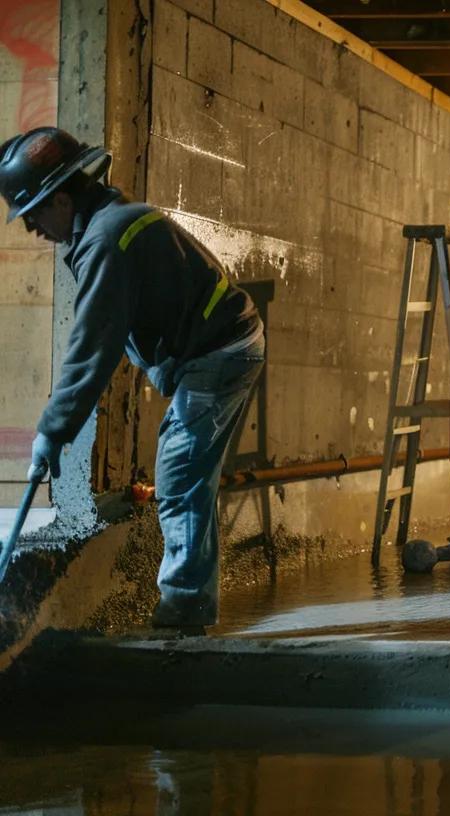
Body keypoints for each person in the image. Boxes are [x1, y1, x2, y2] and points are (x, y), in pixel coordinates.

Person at [1, 126, 265, 634]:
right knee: (188, 475)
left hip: (220, 350)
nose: (32, 227)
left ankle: (183, 614)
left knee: (180, 473)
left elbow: (91, 349)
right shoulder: (113, 222)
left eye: (33, 213)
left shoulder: (106, 240)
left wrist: (52, 431)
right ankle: (191, 605)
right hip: (220, 342)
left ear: (60, 199)